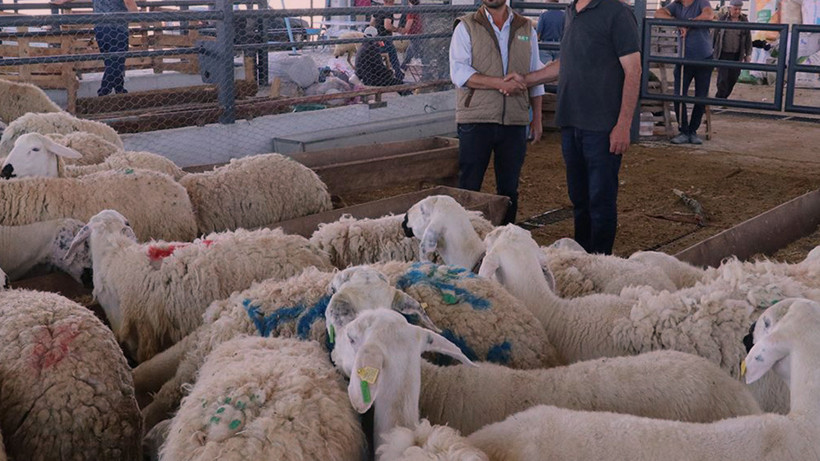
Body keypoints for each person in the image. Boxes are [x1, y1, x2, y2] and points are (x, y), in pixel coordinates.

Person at [508, 0, 641, 255]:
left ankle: (601, 260)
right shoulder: (571, 11)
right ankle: (583, 257)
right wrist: (526, 79)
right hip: (571, 121)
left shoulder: (618, 13)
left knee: (600, 200)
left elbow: (633, 70)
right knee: (579, 199)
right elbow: (565, 63)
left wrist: (623, 124)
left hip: (602, 126)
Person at [448, 0, 544, 225]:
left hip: (514, 119)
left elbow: (535, 72)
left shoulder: (525, 28)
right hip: (476, 118)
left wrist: (537, 118)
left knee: (509, 188)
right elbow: (459, 72)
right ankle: (465, 240)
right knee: (470, 185)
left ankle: (505, 239)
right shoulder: (466, 26)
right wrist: (499, 83)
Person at [655, 0, 715, 145]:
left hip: (704, 58)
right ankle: (684, 130)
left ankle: (693, 130)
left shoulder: (701, 2)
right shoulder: (676, 6)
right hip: (684, 58)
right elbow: (659, 13)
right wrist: (677, 21)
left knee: (700, 96)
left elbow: (709, 14)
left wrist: (689, 23)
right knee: (679, 94)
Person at [52, 0, 138, 96]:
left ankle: (120, 90)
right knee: (117, 62)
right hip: (117, 28)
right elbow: (129, 2)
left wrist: (63, 1)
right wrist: (138, 17)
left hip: (100, 28)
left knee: (111, 62)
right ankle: (103, 92)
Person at [355, 26, 411, 94]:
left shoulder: (363, 47)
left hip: (366, 78)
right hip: (373, 80)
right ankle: (410, 97)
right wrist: (390, 73)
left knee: (397, 82)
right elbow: (379, 68)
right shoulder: (372, 49)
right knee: (400, 84)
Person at [713, 0, 752, 99]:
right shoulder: (722, 19)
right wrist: (712, 51)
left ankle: (724, 97)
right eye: (735, 9)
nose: (737, 11)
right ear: (730, 8)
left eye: (739, 9)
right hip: (723, 53)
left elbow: (748, 38)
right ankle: (720, 98)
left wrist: (748, 54)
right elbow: (714, 35)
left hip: (737, 54)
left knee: (733, 78)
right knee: (722, 78)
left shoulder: (744, 21)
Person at [371, 0, 405, 82]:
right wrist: (397, 29)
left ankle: (396, 72)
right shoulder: (388, 11)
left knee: (391, 51)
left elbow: (371, 23)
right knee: (392, 52)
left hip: (377, 40)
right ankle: (398, 73)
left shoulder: (378, 9)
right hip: (385, 39)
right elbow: (387, 26)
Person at [399, 0, 423, 72]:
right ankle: (403, 67)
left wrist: (404, 30)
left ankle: (419, 60)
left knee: (415, 50)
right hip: (418, 32)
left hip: (413, 33)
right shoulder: (418, 9)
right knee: (410, 50)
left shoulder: (411, 10)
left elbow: (409, 22)